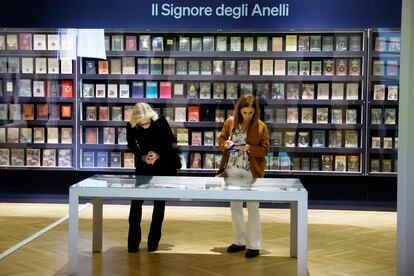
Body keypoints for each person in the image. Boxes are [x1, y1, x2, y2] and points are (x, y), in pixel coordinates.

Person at [218, 94, 270, 258]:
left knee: (253, 207)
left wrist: (249, 148)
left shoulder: (261, 126)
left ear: (255, 112)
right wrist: (225, 144)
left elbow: (265, 149)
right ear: (239, 110)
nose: (247, 116)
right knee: (235, 207)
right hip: (232, 170)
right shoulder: (230, 122)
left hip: (252, 171)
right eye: (244, 112)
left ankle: (254, 245)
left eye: (250, 113)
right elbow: (221, 140)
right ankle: (239, 241)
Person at [126, 102, 181, 253]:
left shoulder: (160, 121)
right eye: (141, 123)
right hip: (143, 166)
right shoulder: (131, 125)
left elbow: (170, 142)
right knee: (136, 203)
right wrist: (143, 157)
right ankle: (133, 242)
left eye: (147, 122)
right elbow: (131, 145)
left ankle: (153, 242)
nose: (144, 125)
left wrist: (158, 154)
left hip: (162, 165)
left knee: (159, 204)